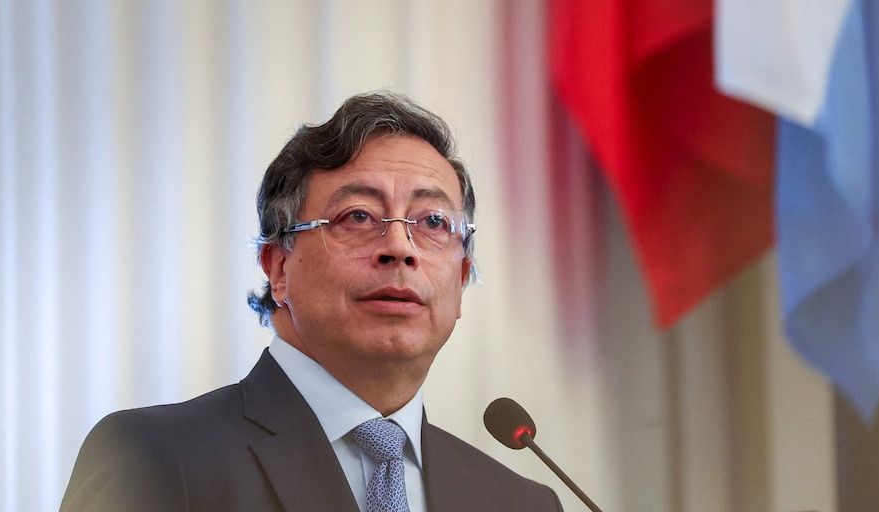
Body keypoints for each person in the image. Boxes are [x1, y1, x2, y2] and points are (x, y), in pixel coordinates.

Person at [60, 92, 563, 512]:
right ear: (279, 268)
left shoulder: (521, 503)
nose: (399, 247)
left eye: (432, 222)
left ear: (462, 277)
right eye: (358, 217)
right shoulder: (153, 460)